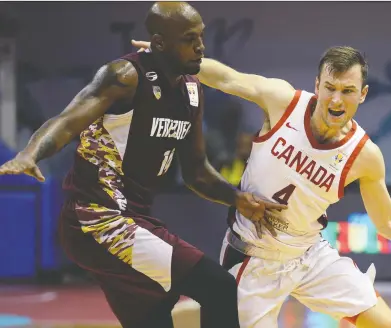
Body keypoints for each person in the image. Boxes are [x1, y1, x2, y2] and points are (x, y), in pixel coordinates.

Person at [0, 3, 286, 328]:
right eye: (189, 39)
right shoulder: (125, 77)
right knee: (217, 286)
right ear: (160, 43)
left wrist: (238, 199)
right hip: (96, 219)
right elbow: (67, 120)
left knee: (154, 315)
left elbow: (196, 172)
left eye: (201, 37)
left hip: (134, 216)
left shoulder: (192, 90)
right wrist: (30, 153)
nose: (200, 46)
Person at [130, 42, 391, 327]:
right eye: (330, 87)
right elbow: (228, 78)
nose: (336, 100)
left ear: (363, 94)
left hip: (310, 254)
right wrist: (175, 61)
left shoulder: (365, 155)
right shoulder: (284, 102)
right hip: (255, 257)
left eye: (348, 91)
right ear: (317, 85)